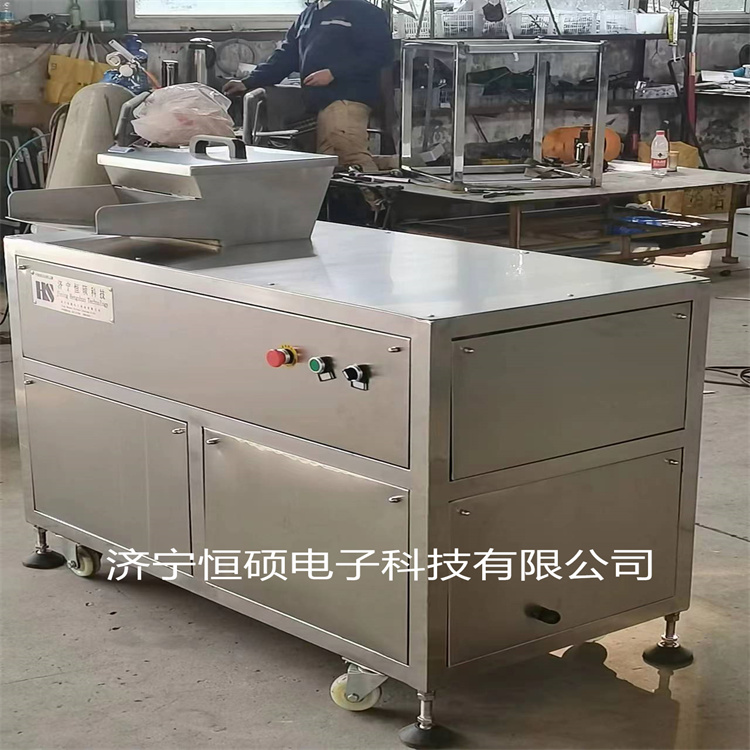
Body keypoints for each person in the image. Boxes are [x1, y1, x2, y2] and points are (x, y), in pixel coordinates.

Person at [223, 0, 392, 172]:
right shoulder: (307, 15)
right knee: (330, 166)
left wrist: (334, 73)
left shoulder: (365, 11)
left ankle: (381, 186)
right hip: (318, 102)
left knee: (349, 159)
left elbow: (381, 54)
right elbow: (285, 57)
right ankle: (392, 165)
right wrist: (248, 82)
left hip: (347, 99)